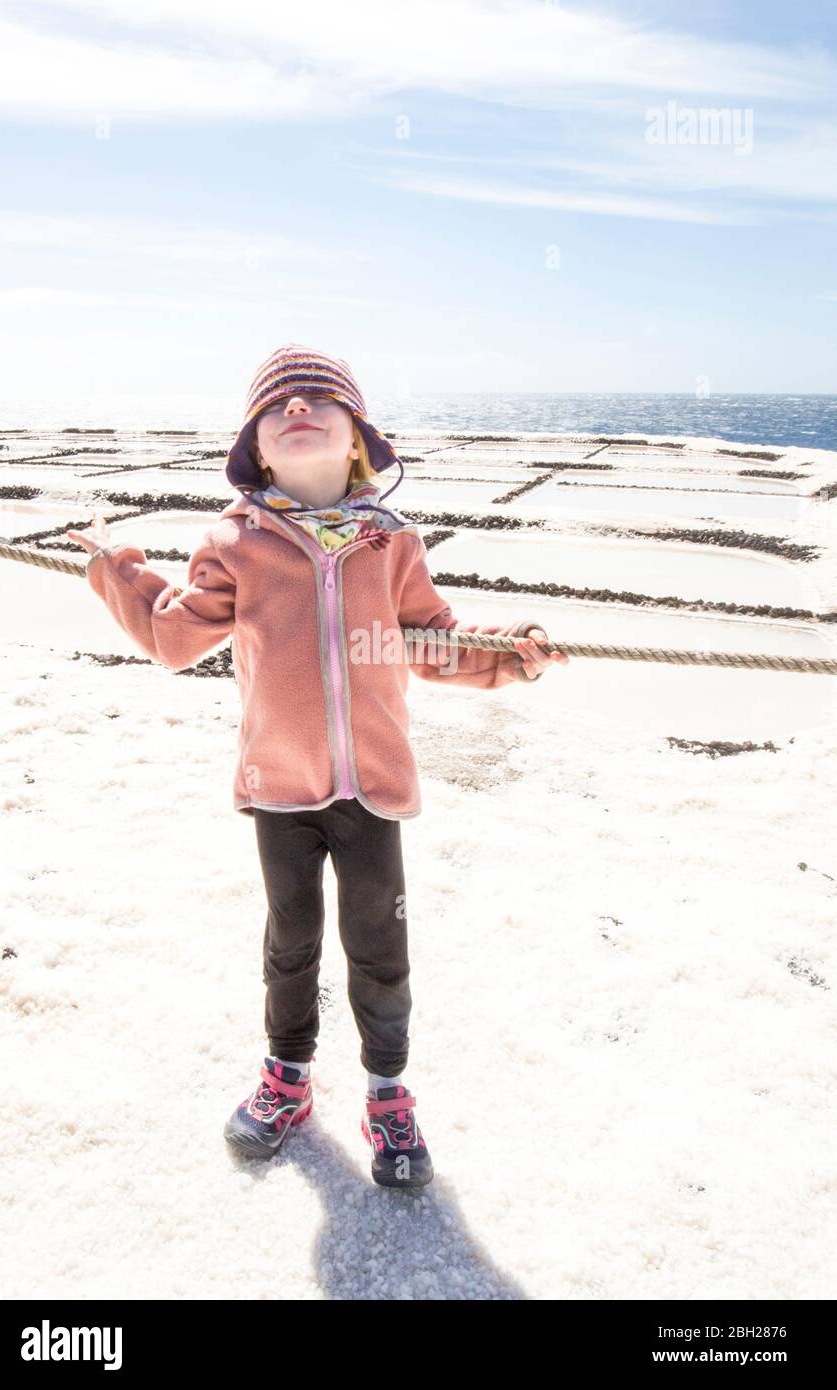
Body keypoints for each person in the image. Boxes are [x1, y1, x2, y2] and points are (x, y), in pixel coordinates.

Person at [69, 343, 569, 1191]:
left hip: (372, 789)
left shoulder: (391, 542)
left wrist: (504, 655)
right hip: (279, 785)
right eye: (278, 408)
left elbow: (432, 641)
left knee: (380, 946)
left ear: (357, 444)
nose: (297, 411)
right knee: (290, 942)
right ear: (258, 450)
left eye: (319, 404)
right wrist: (113, 569)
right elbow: (171, 636)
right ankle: (287, 1080)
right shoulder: (234, 543)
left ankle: (387, 1093)